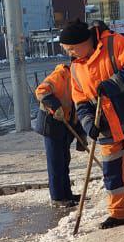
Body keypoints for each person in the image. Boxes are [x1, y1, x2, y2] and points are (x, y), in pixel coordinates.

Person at [60, 20, 124, 233]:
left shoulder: (114, 43)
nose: (70, 54)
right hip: (105, 127)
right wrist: (88, 125)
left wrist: (112, 84)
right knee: (112, 171)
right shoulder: (76, 67)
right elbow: (81, 101)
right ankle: (118, 213)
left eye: (71, 49)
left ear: (83, 42)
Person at [34, 59, 86, 210]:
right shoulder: (61, 75)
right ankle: (57, 197)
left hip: (65, 124)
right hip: (51, 124)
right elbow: (41, 91)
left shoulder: (79, 80)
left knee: (64, 161)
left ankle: (67, 194)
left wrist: (81, 135)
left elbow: (76, 108)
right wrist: (55, 107)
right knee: (56, 162)